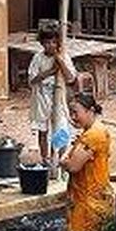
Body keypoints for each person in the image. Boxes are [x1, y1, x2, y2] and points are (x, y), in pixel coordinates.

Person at [60, 93, 115, 231]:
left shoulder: (93, 135)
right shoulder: (94, 131)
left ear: (90, 111)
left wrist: (63, 160)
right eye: (71, 112)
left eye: (75, 112)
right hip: (94, 200)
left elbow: (73, 166)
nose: (72, 117)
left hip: (88, 204)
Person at [27, 25, 78, 161]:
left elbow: (71, 78)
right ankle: (45, 159)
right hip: (41, 98)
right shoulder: (38, 58)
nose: (50, 45)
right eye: (47, 42)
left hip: (59, 98)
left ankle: (60, 158)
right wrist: (49, 72)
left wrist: (60, 61)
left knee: (61, 129)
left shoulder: (63, 56)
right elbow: (32, 80)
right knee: (42, 130)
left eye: (54, 42)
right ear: (42, 43)